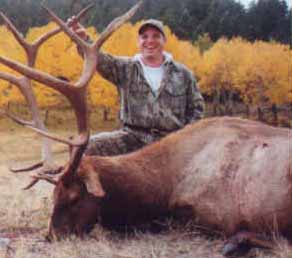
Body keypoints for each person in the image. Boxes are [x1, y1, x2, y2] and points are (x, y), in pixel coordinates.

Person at [68, 18, 205, 156]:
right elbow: (99, 59)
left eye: (156, 36)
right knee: (85, 147)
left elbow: (197, 109)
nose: (150, 41)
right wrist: (84, 39)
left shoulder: (183, 74)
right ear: (138, 42)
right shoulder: (125, 68)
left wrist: (186, 137)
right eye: (144, 37)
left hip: (172, 140)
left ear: (164, 41)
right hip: (133, 138)